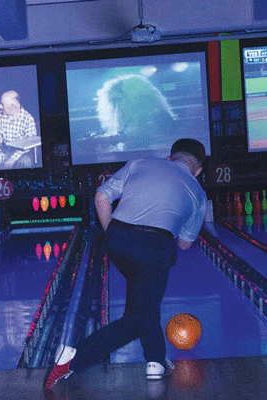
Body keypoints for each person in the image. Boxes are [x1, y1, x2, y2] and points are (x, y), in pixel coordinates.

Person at [45, 138, 208, 389]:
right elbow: (185, 244)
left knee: (146, 300)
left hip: (118, 240)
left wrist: (113, 233)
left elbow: (101, 197)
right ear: (198, 170)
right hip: (155, 248)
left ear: (169, 157)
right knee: (138, 318)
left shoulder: (139, 163)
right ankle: (72, 360)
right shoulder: (197, 192)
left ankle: (155, 360)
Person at [0, 90, 37, 169]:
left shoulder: (28, 119)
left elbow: (28, 145)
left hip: (22, 153)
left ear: (13, 106)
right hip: (5, 150)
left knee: (25, 161)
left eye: (2, 104)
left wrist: (13, 158)